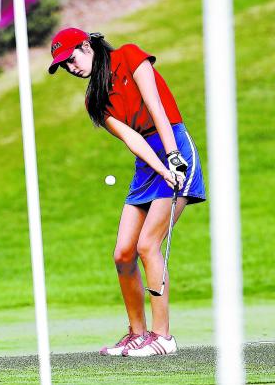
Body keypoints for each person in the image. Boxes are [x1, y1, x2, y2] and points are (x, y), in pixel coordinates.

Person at [48, 27, 206, 357]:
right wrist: (160, 168)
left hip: (173, 143)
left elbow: (157, 106)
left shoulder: (130, 56)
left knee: (148, 244)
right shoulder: (94, 99)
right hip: (147, 162)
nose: (71, 67)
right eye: (64, 65)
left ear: (86, 45)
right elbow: (132, 139)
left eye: (72, 57)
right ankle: (138, 333)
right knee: (123, 253)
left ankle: (163, 338)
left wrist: (172, 156)